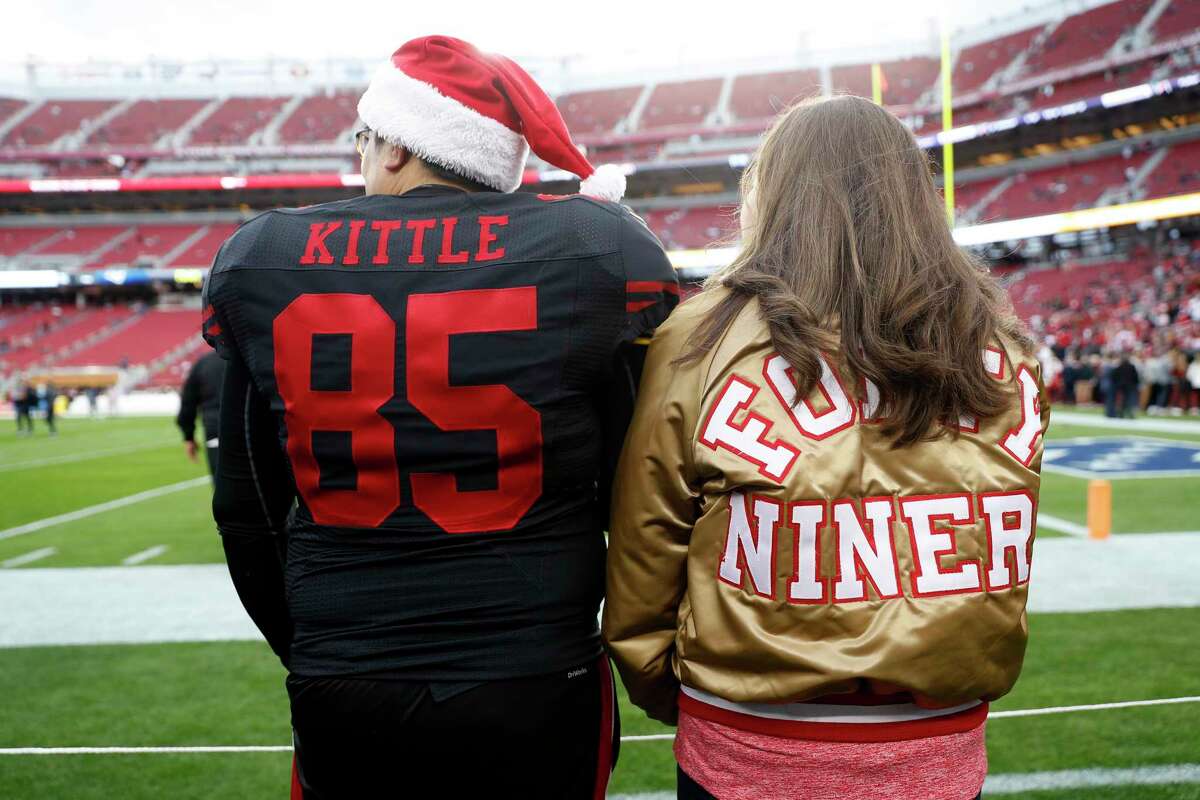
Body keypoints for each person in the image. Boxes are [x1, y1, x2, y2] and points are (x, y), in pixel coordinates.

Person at [202, 35, 676, 800]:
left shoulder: (265, 254)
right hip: (533, 668)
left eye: (362, 138)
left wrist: (319, 645)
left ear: (395, 146)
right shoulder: (593, 243)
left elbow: (246, 508)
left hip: (345, 669)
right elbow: (642, 499)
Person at [603, 96, 1050, 800]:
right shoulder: (1003, 344)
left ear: (775, 194)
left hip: (746, 740)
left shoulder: (703, 335)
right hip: (938, 743)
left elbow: (645, 548)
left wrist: (675, 691)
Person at [176, 350, 226, 479]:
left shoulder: (204, 363)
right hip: (252, 432)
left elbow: (188, 403)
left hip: (216, 433)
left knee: (223, 488)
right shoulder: (252, 358)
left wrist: (189, 437)